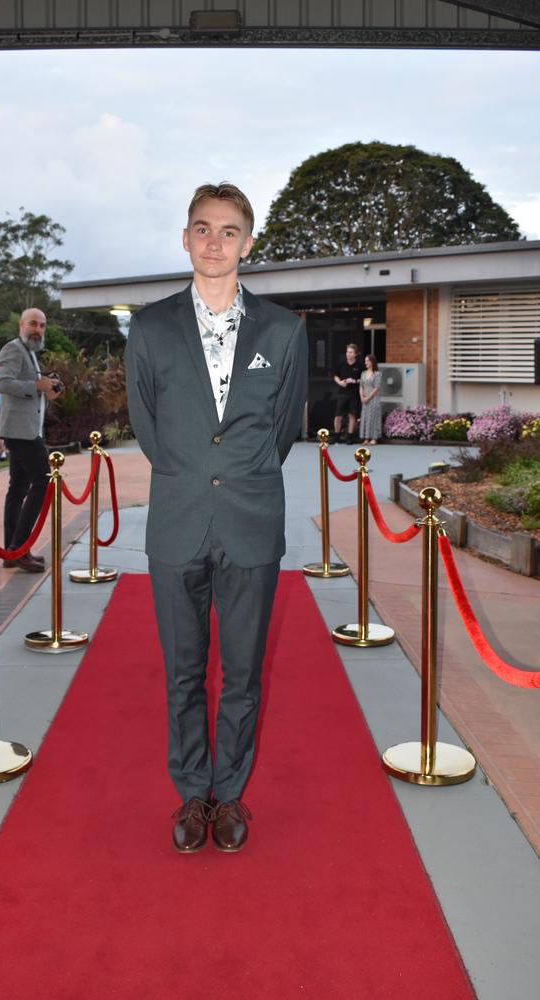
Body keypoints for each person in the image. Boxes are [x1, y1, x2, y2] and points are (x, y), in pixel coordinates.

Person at [125, 182, 307, 854]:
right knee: (181, 670)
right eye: (202, 228)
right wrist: (191, 474)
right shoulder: (149, 328)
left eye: (228, 231)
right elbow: (148, 426)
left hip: (252, 522)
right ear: (185, 238)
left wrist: (239, 476)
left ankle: (227, 795)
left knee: (243, 671)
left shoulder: (284, 332)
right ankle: (189, 792)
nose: (213, 242)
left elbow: (283, 426)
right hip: (177, 520)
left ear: (247, 243)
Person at [0, 308, 61, 573]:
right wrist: (37, 386)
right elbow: (4, 384)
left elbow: (32, 387)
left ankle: (12, 550)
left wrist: (49, 388)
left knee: (19, 487)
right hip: (20, 431)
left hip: (26, 429)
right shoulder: (13, 349)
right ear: (21, 324)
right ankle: (19, 548)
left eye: (42, 326)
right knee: (42, 481)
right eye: (34, 324)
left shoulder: (30, 353)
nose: (38, 329)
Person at [332, 343, 363, 444]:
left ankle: (349, 437)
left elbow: (363, 379)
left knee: (352, 415)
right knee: (338, 416)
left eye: (350, 352)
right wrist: (340, 382)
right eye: (347, 352)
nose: (348, 354)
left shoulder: (360, 365)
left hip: (354, 394)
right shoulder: (342, 363)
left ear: (355, 354)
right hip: (342, 393)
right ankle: (336, 436)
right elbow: (335, 375)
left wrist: (354, 381)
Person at [359, 354, 383, 445]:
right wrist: (362, 397)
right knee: (365, 417)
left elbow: (376, 388)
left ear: (372, 362)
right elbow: (361, 386)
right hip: (364, 399)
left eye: (367, 361)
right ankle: (366, 438)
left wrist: (368, 397)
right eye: (365, 361)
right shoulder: (363, 373)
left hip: (373, 399)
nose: (366, 363)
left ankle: (374, 438)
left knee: (373, 417)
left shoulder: (377, 374)